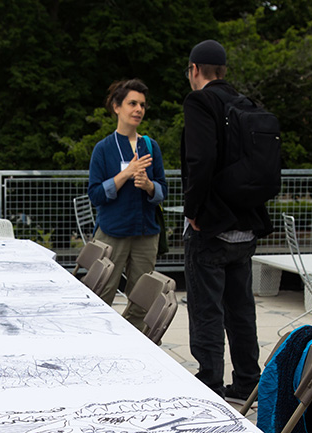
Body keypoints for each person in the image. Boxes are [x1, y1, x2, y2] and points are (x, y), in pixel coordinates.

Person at [181, 39, 273, 400]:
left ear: (194, 70)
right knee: (240, 309)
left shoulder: (200, 102)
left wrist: (193, 211)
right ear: (223, 71)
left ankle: (210, 383)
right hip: (246, 227)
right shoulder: (245, 105)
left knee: (206, 309)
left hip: (212, 229)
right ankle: (249, 380)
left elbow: (200, 162)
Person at [87, 79, 167, 328]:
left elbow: (163, 190)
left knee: (145, 298)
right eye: (132, 103)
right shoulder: (103, 149)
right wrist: (126, 174)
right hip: (112, 233)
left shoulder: (150, 146)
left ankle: (136, 345)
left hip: (146, 233)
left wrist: (149, 186)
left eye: (142, 105)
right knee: (101, 293)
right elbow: (96, 195)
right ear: (116, 107)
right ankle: (99, 341)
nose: (139, 110)